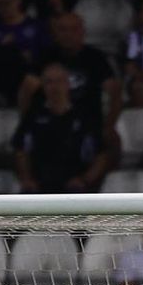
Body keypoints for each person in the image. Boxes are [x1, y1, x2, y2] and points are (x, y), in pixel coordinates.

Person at [12, 62, 110, 193]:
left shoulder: (84, 117)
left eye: (59, 81)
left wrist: (85, 180)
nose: (55, 87)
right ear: (43, 86)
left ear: (68, 84)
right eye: (49, 82)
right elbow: (21, 151)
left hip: (75, 189)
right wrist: (26, 179)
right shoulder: (32, 117)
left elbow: (101, 155)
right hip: (40, 188)